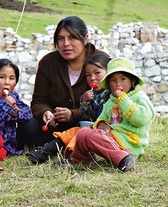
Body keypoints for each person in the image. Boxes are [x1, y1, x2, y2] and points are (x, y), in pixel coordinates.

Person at [23, 16, 108, 149]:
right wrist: (46, 113)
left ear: (85, 38)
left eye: (72, 38)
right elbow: (38, 101)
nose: (66, 44)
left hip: (89, 124)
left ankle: (65, 145)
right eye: (60, 39)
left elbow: (108, 103)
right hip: (56, 126)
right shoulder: (48, 63)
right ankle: (61, 144)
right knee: (28, 128)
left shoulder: (101, 62)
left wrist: (73, 114)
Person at [71, 57, 155, 172]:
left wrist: (123, 100)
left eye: (123, 79)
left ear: (133, 81)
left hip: (130, 142)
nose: (118, 84)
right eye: (113, 80)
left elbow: (140, 119)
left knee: (92, 135)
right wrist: (102, 124)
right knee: (83, 133)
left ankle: (124, 157)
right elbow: (102, 117)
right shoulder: (110, 101)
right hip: (113, 138)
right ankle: (80, 160)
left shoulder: (139, 97)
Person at [26, 54, 111, 164]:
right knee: (68, 134)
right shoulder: (93, 94)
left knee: (80, 136)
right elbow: (87, 114)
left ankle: (72, 158)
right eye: (88, 75)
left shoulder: (112, 94)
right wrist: (84, 102)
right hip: (91, 127)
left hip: (104, 131)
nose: (92, 78)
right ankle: (43, 152)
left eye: (97, 73)